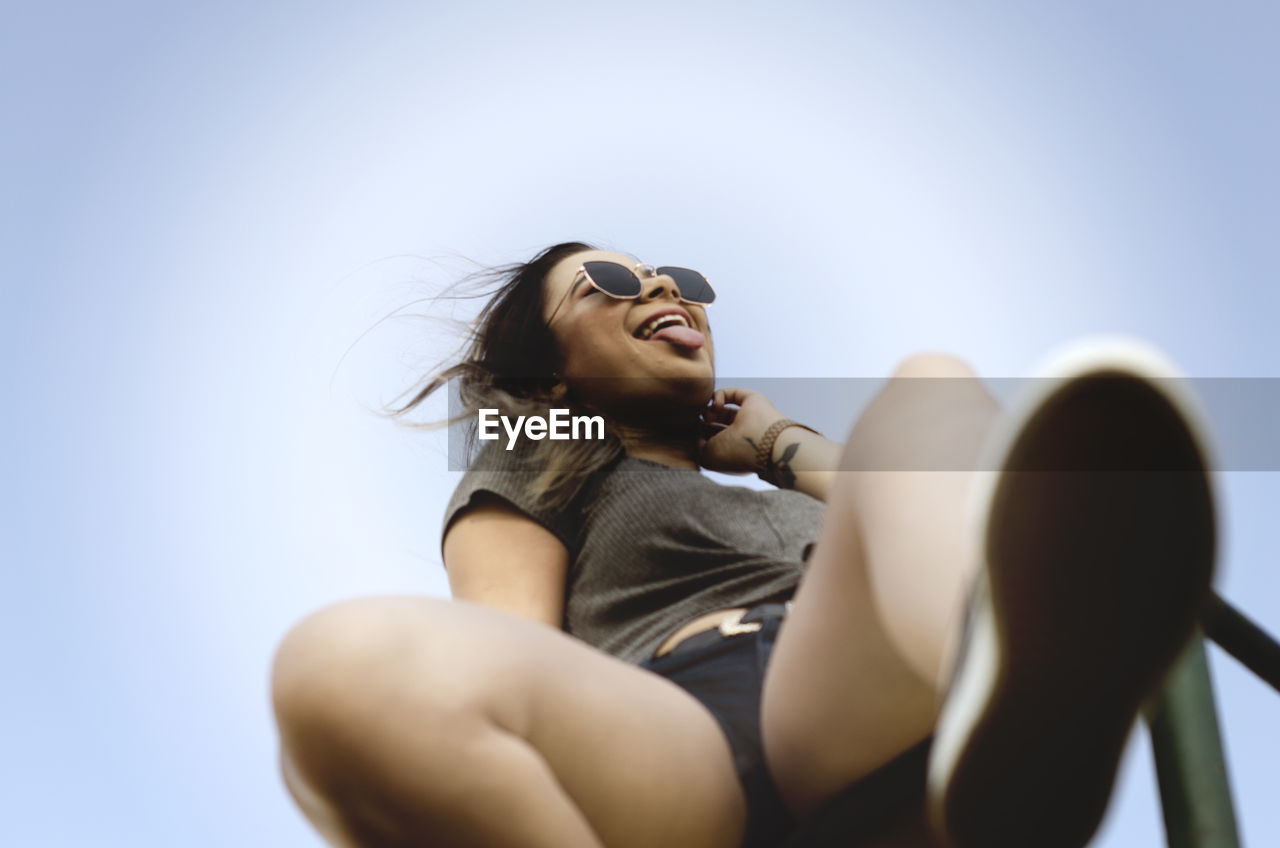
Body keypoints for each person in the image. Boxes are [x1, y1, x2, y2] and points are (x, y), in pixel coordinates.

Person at [269, 242, 1217, 848]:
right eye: (603, 281)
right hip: (674, 751)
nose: (654, 284)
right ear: (546, 373)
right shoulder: (543, 459)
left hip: (857, 706)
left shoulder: (778, 471)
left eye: (675, 279)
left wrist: (772, 443)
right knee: (342, 669)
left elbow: (949, 519)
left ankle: (1009, 713)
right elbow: (504, 648)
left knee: (930, 387)